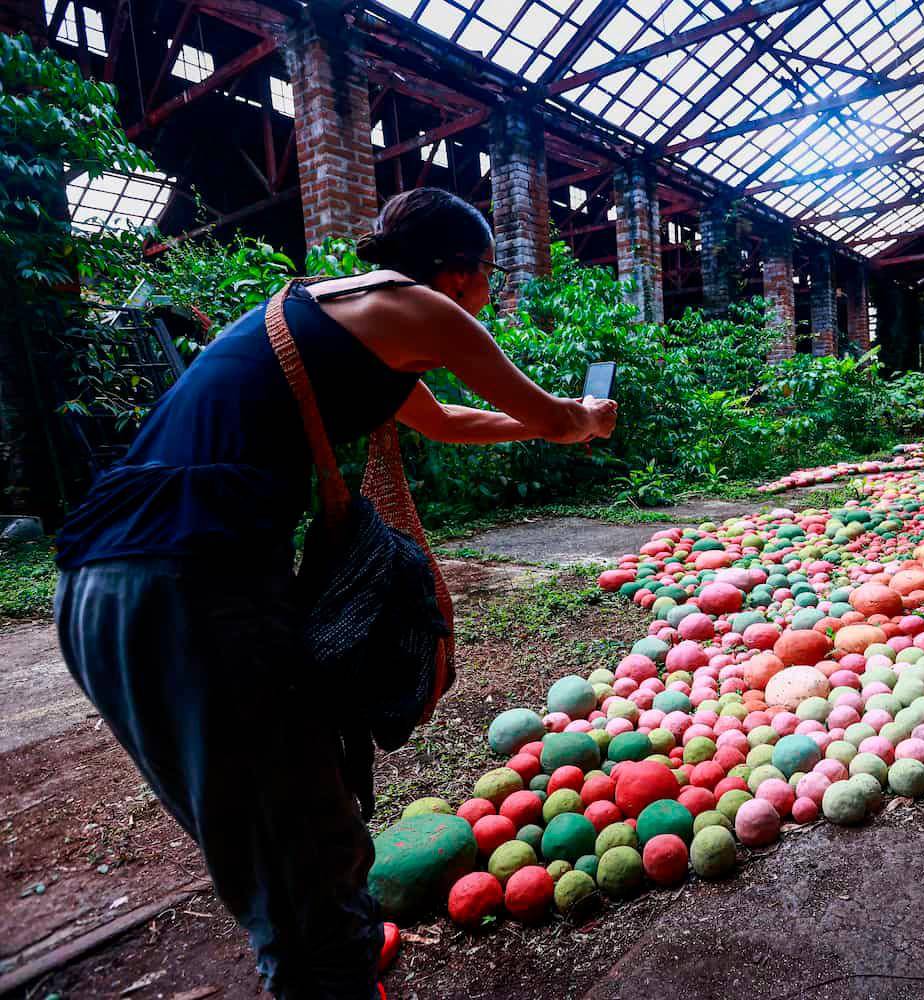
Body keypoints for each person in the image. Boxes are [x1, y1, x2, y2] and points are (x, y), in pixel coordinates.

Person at [54, 187, 617, 999]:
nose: (489, 289)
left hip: (106, 580)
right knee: (310, 876)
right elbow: (552, 419)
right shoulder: (424, 307)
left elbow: (451, 422)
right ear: (459, 272)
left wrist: (553, 420)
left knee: (277, 849)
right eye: (489, 272)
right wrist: (586, 417)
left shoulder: (335, 311)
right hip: (189, 586)